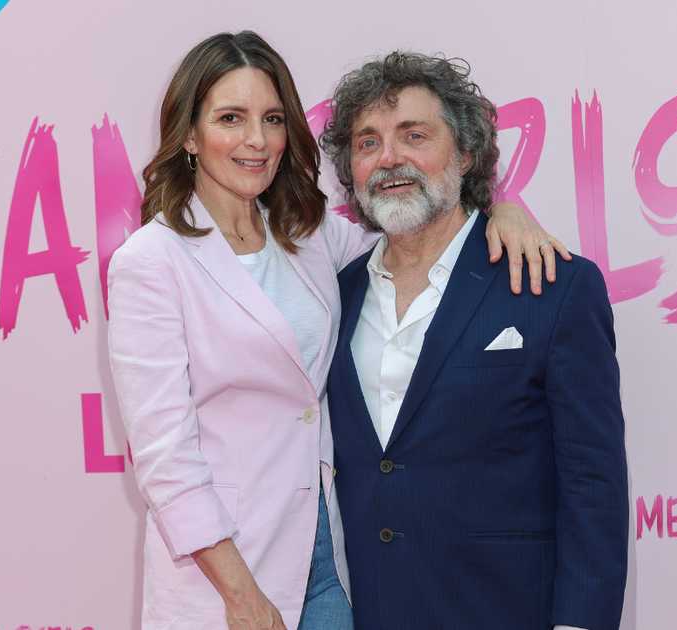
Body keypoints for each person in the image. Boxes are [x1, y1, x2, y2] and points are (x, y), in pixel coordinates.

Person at [107, 32, 568, 630]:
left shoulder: (308, 233)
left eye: (272, 118)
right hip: (225, 578)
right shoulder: (150, 261)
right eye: (231, 118)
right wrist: (241, 595)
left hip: (328, 564)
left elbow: (419, 238)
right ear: (190, 135)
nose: (256, 140)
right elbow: (165, 458)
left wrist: (501, 210)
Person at [322, 51, 629, 630]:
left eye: (414, 135)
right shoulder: (334, 297)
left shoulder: (552, 287)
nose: (389, 158)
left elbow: (593, 483)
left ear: (465, 153)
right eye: (368, 143)